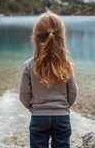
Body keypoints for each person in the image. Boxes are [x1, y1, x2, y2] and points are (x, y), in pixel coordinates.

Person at [19, 12, 78, 148]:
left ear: (35, 38)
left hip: (38, 117)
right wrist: (64, 107)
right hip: (62, 116)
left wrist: (32, 107)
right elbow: (73, 91)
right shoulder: (66, 64)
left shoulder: (28, 65)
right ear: (62, 37)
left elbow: (24, 94)